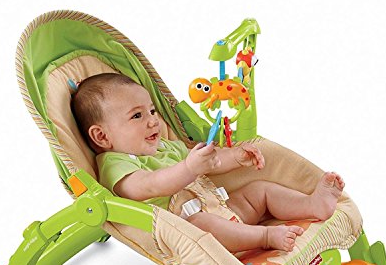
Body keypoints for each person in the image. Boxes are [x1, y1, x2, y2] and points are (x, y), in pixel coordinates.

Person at [71, 73, 345, 253]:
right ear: (102, 136)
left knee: (259, 190)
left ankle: (312, 205)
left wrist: (235, 157)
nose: (153, 120)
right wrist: (188, 168)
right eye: (137, 116)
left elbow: (209, 163)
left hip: (223, 208)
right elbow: (148, 186)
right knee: (203, 223)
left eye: (152, 111)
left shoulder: (166, 147)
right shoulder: (115, 163)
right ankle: (264, 237)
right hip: (191, 232)